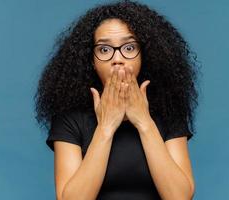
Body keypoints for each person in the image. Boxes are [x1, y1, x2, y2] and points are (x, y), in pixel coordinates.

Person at [34, 0, 200, 199]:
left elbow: (180, 197)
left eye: (129, 48)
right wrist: (105, 127)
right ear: (92, 62)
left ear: (144, 56)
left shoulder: (169, 112)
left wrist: (144, 122)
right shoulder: (69, 118)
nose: (117, 58)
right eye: (104, 50)